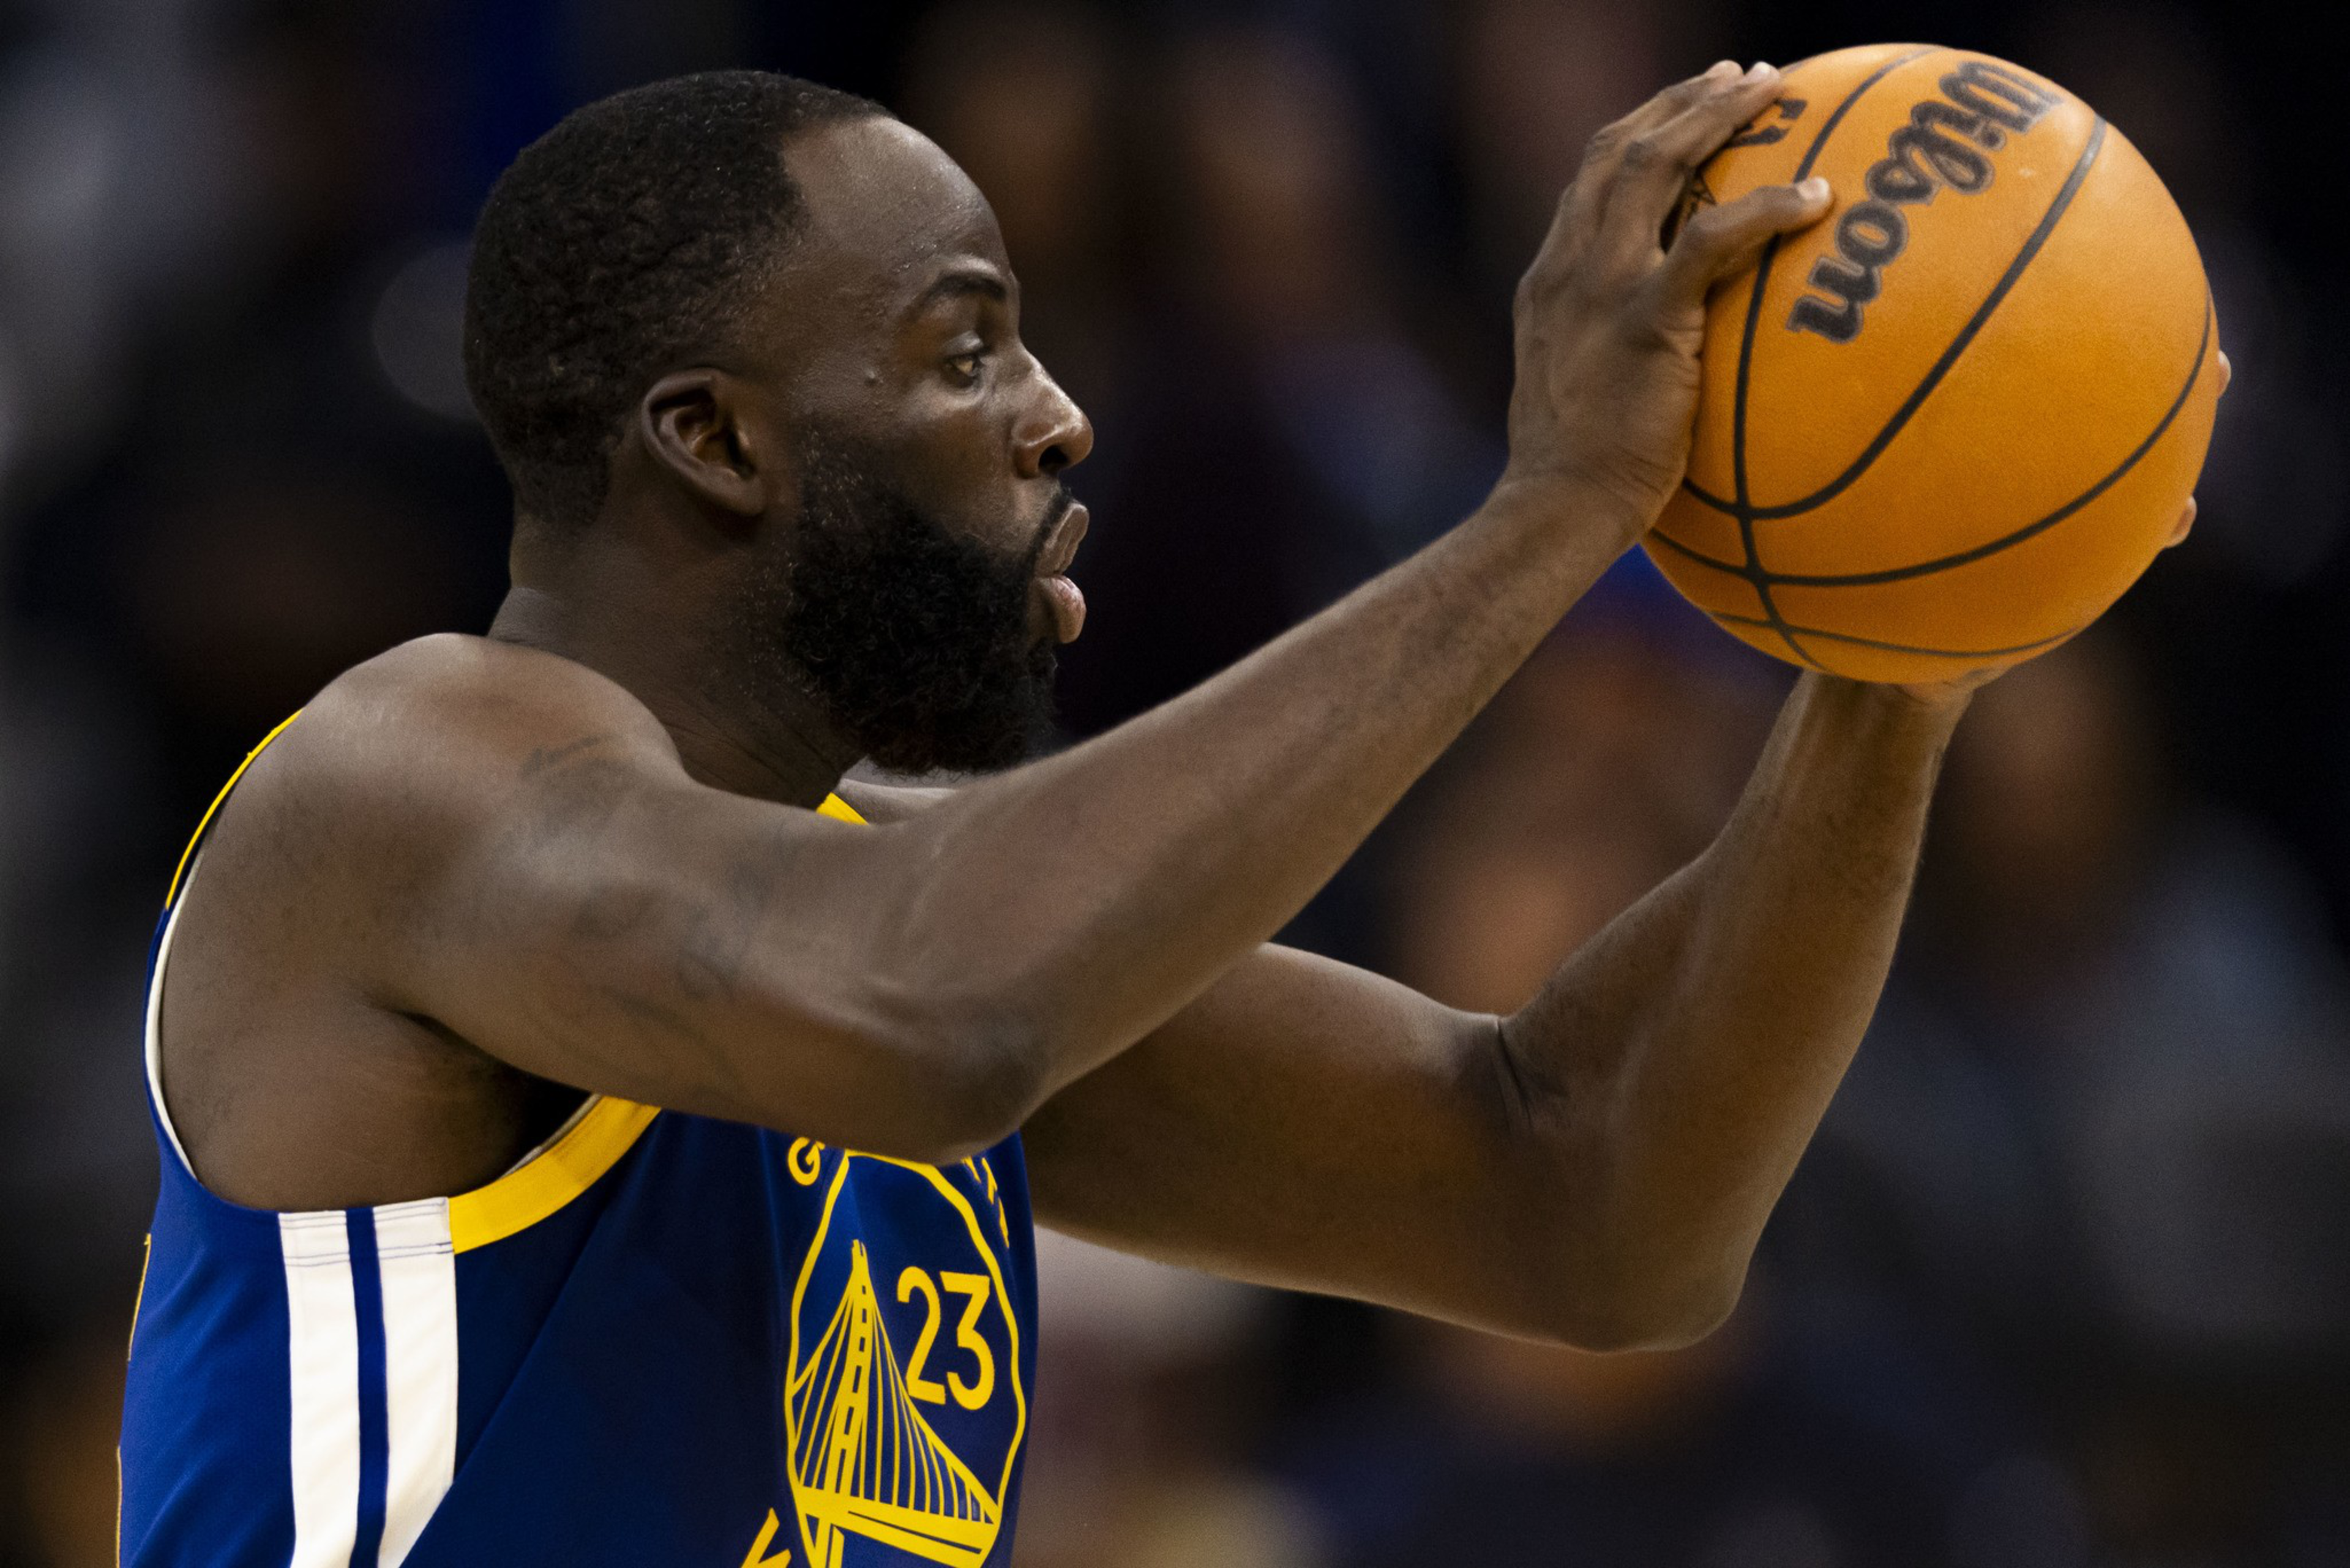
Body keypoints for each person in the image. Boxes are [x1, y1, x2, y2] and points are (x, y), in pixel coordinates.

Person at [112, 62, 2178, 1568]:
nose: (1059, 413)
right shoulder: (399, 786)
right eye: (966, 352)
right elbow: (935, 1019)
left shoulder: (882, 916)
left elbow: (1590, 1200)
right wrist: (1552, 510)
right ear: (716, 440)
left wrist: (1895, 651)